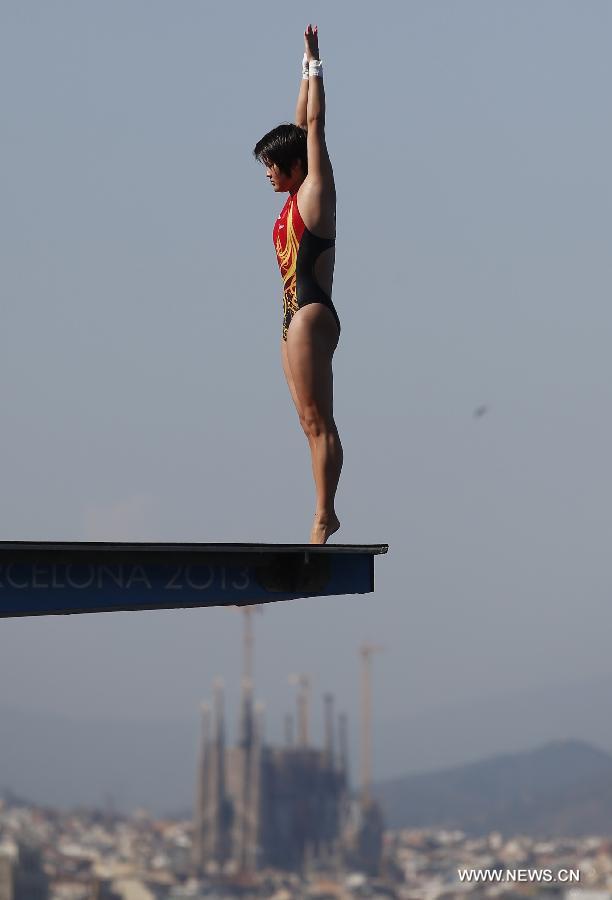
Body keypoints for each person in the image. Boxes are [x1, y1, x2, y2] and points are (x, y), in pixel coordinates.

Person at [253, 24, 343, 545]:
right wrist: (300, 66)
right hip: (291, 317)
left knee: (320, 423)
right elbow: (297, 121)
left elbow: (313, 126)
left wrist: (317, 63)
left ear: (294, 167)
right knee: (308, 426)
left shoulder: (315, 191)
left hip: (310, 311)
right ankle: (321, 509)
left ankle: (323, 514)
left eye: (272, 166)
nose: (268, 174)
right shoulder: (292, 199)